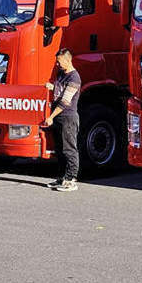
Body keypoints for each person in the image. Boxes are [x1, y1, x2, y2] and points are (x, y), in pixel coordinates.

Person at [42, 48, 81, 192]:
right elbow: (60, 91)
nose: (57, 64)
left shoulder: (74, 78)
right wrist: (51, 87)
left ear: (67, 60)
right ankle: (62, 177)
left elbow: (65, 101)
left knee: (69, 149)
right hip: (58, 117)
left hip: (68, 117)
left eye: (59, 61)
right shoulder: (61, 74)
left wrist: (51, 117)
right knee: (59, 149)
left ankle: (71, 180)